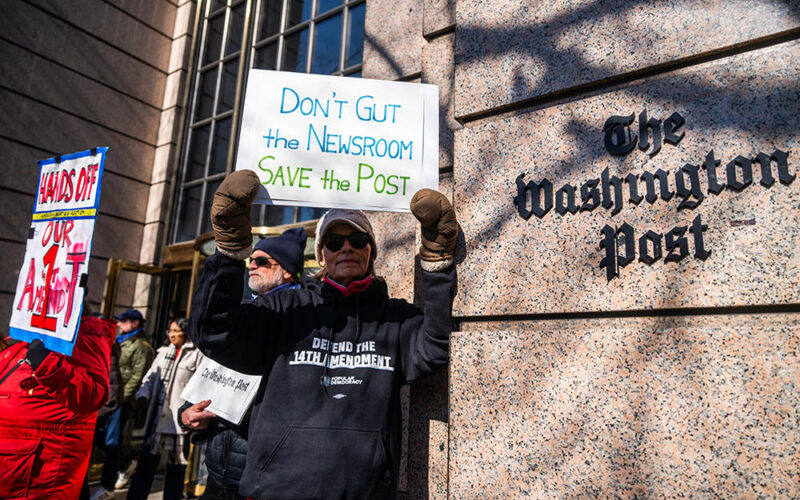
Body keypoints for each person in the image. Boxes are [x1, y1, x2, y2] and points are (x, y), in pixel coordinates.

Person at [190, 171, 458, 499]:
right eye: (334, 242)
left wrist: (436, 264)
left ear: (371, 253)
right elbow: (215, 332)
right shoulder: (285, 309)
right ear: (321, 256)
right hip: (276, 492)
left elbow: (436, 345)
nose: (346, 248)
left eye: (357, 240)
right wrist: (230, 252)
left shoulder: (396, 319)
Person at [178, 227, 308, 500]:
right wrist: (187, 413)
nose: (251, 266)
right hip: (219, 473)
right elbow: (214, 374)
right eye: (250, 259)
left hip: (267, 480)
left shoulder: (302, 322)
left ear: (287, 271)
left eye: (262, 261)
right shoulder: (240, 316)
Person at [0, 316, 116, 499]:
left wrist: (46, 364)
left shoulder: (82, 338)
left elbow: (92, 395)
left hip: (36, 472)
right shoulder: (21, 342)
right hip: (11, 465)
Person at [125, 318, 204, 500]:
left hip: (178, 422)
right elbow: (149, 378)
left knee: (176, 468)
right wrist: (142, 395)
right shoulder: (162, 353)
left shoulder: (196, 355)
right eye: (170, 331)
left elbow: (199, 386)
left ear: (185, 332)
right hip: (157, 416)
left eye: (176, 331)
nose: (172, 335)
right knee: (145, 464)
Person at [93, 308, 154, 500]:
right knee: (97, 437)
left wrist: (120, 399)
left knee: (112, 442)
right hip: (106, 399)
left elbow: (138, 376)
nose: (119, 324)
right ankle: (125, 463)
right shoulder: (118, 341)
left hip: (121, 401)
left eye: (123, 321)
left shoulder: (142, 346)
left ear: (135, 323)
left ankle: (107, 485)